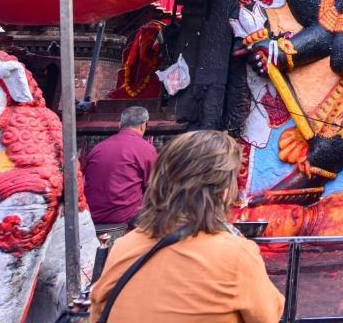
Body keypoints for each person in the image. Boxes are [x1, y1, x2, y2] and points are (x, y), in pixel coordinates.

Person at [89, 130, 285, 322]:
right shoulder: (236, 255)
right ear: (223, 190)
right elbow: (268, 316)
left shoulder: (124, 245)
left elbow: (98, 312)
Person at [82, 106, 158, 237]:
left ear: (120, 124)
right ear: (143, 125)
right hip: (124, 216)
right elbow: (155, 186)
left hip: (92, 214)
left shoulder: (98, 148)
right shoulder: (146, 149)